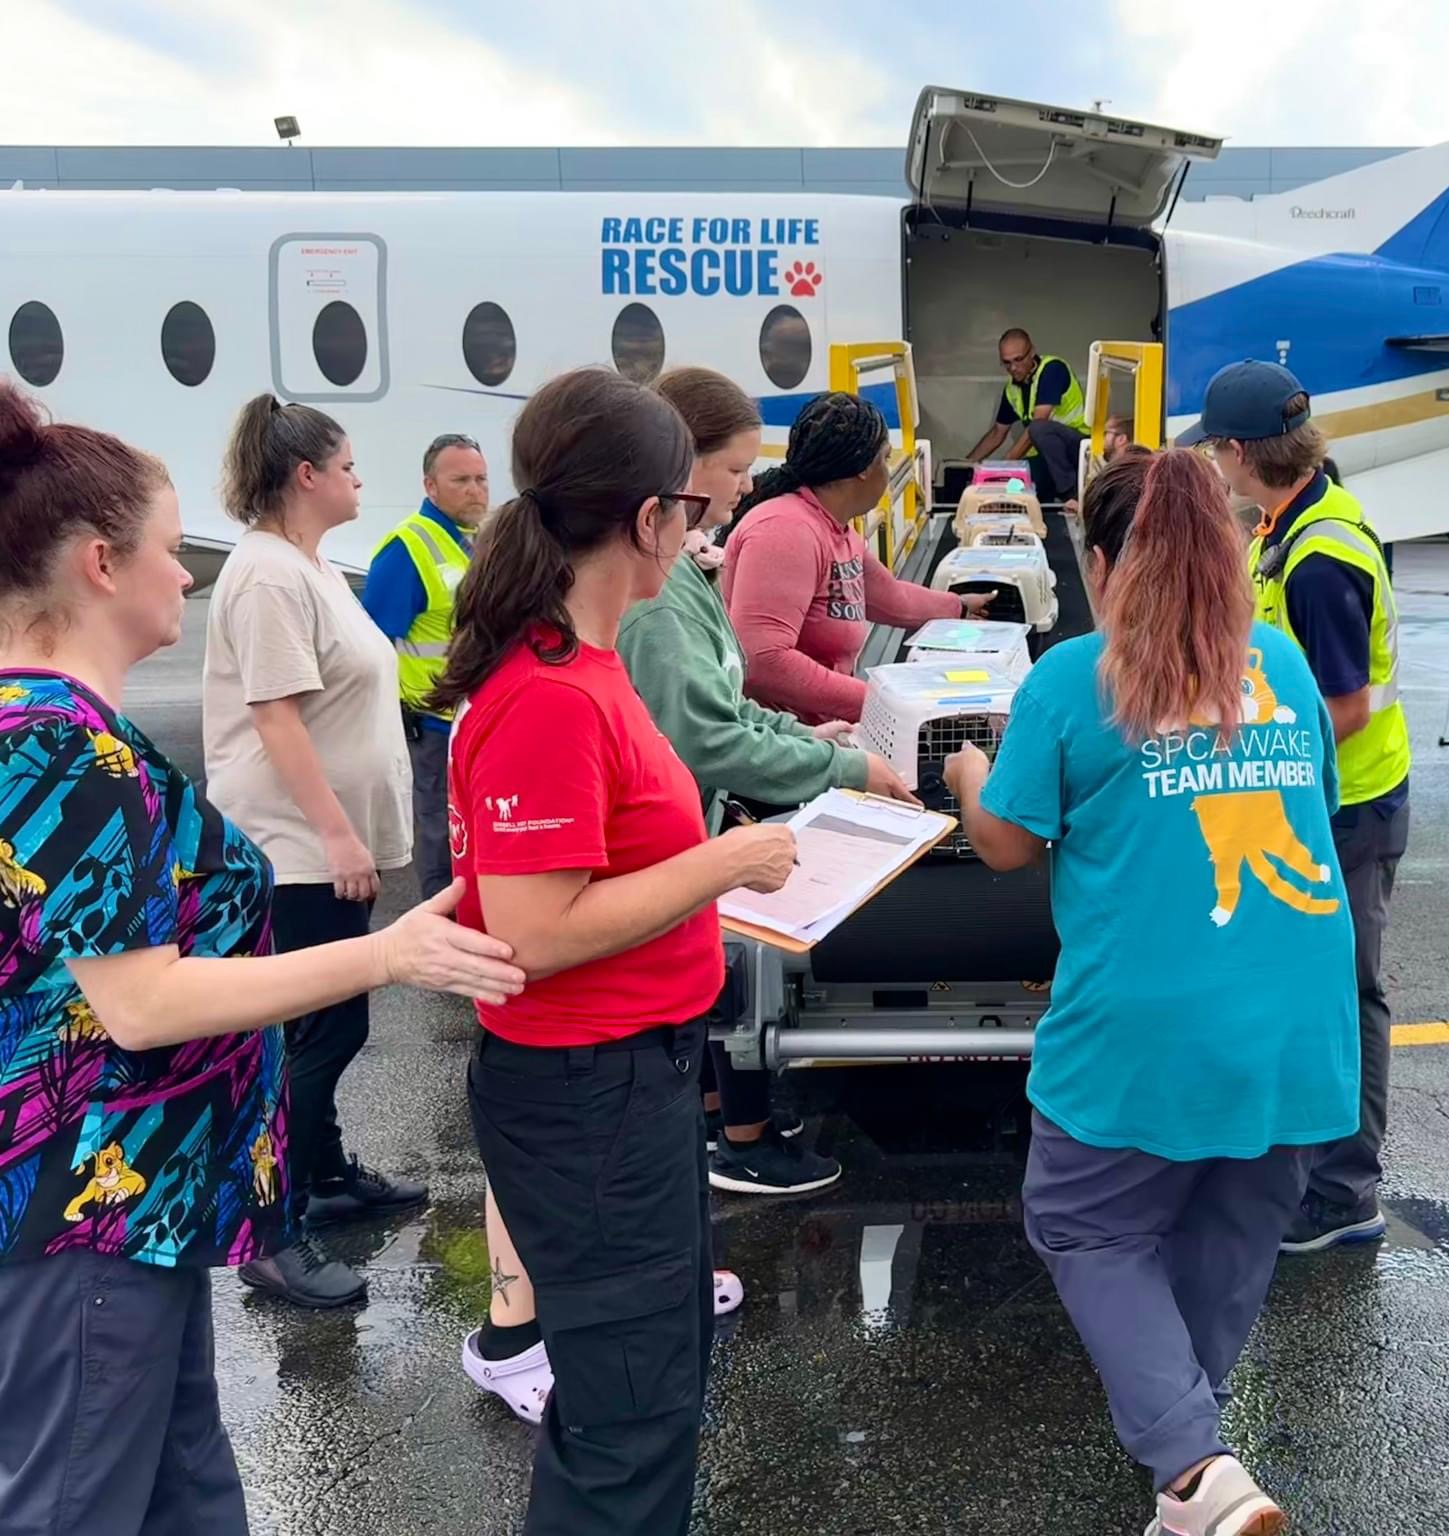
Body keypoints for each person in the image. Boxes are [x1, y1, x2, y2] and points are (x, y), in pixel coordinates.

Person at [0, 382, 522, 1536]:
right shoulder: (58, 747)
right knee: (75, 1503)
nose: (182, 577)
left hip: (137, 1202)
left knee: (184, 1497)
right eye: (161, 547)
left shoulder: (66, 730)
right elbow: (139, 1006)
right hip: (88, 1207)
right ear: (99, 564)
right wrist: (386, 956)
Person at [945, 450, 1358, 1536]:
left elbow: (1003, 843)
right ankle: (1198, 1485)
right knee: (1229, 1231)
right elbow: (1306, 790)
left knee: (1081, 1222)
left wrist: (964, 778)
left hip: (1149, 1021)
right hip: (1298, 1018)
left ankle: (1191, 1468)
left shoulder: (1075, 678)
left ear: (1095, 562)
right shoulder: (1277, 659)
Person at [429, 366, 796, 1535]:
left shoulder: (583, 668)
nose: (702, 529)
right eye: (692, 510)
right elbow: (537, 932)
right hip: (591, 1095)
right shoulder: (551, 693)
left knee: (648, 1388)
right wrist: (724, 866)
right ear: (648, 519)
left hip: (628, 1083)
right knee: (626, 1418)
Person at [622, 366, 924, 1194]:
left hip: (692, 824)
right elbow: (712, 728)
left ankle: (727, 1120)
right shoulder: (659, 599)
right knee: (712, 982)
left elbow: (730, 700)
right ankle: (733, 1140)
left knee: (711, 986)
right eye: (733, 468)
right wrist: (845, 758)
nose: (749, 485)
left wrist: (807, 734)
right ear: (679, 468)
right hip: (667, 839)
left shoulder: (682, 574)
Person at [1180, 360, 1410, 1254]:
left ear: (1240, 452)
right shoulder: (1285, 524)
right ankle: (1309, 1165)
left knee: (1347, 995)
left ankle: (1347, 1193)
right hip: (1322, 798)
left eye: (1217, 455)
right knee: (1313, 987)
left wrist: (1252, 765)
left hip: (1347, 806)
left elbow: (1345, 707)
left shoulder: (1319, 557)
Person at [204, 395, 425, 1310]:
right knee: (323, 1031)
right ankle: (272, 1229)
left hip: (325, 840)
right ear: (306, 477)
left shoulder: (308, 566)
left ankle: (325, 1177)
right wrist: (337, 834)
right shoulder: (265, 576)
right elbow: (274, 716)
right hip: (296, 847)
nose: (357, 478)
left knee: (331, 1024)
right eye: (346, 466)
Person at [723, 390, 985, 725]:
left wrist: (960, 607)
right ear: (863, 467)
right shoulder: (786, 530)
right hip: (781, 743)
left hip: (822, 732)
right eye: (886, 459)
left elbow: (894, 599)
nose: (889, 473)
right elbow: (763, 659)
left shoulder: (835, 528)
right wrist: (883, 703)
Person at [361, 432, 492, 898]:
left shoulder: (479, 540)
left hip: (476, 718)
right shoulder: (407, 548)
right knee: (441, 833)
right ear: (430, 486)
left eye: (481, 479)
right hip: (434, 723)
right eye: (461, 480)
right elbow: (372, 645)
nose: (476, 490)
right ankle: (444, 922)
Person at [964, 328, 1090, 505]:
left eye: (1018, 359)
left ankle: (1071, 494)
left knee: (1038, 428)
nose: (1013, 368)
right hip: (1047, 457)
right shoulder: (1012, 389)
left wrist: (1003, 468)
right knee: (1019, 488)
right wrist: (966, 465)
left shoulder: (1052, 369)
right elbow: (996, 434)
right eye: (1006, 363)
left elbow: (1037, 425)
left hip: (1077, 449)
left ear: (1031, 352)